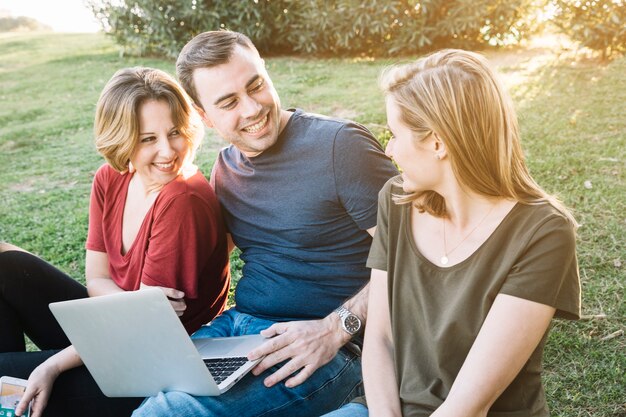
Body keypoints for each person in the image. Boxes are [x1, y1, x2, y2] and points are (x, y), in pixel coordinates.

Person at [132, 31, 398, 417]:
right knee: (135, 383)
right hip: (237, 329)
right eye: (228, 102)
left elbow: (415, 254)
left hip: (329, 348)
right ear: (205, 116)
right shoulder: (224, 168)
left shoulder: (341, 146)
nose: (253, 109)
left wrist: (335, 327)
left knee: (163, 414)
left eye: (255, 85)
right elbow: (205, 264)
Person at [323, 49, 582, 417]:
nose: (389, 149)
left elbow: (468, 407)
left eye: (395, 134)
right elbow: (380, 339)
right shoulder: (395, 200)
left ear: (438, 142)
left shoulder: (543, 233)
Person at [0, 67, 231, 417]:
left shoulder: (183, 200)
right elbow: (97, 279)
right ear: (122, 139)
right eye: (147, 138)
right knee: (6, 268)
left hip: (158, 365)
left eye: (175, 132)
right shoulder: (110, 178)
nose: (168, 151)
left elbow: (144, 327)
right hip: (118, 331)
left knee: (6, 372)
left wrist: (54, 365)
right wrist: (135, 303)